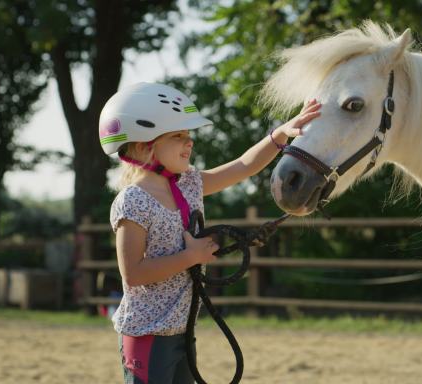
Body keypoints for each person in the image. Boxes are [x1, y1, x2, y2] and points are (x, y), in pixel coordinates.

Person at [99, 82, 320, 384]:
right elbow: (133, 273)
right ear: (142, 145)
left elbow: (244, 166)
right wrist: (191, 255)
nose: (189, 143)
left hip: (182, 328)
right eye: (177, 136)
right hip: (147, 332)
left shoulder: (188, 184)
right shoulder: (133, 201)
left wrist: (281, 133)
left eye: (189, 136)